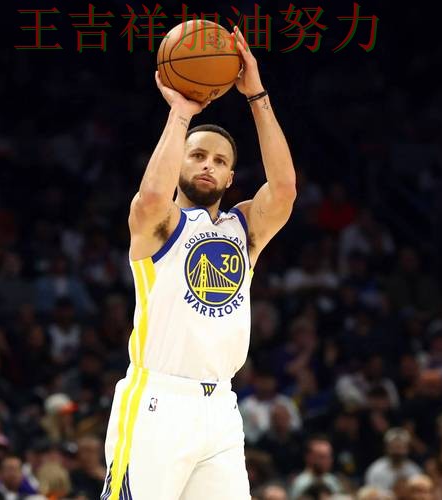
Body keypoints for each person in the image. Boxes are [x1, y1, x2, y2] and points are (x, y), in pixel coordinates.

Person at [100, 26, 297, 500]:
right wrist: (181, 114)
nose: (208, 164)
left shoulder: (242, 229)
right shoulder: (160, 224)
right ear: (181, 164)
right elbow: (151, 196)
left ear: (230, 177)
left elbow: (284, 190)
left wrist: (257, 96)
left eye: (219, 161)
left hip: (221, 407)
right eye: (198, 155)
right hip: (157, 401)